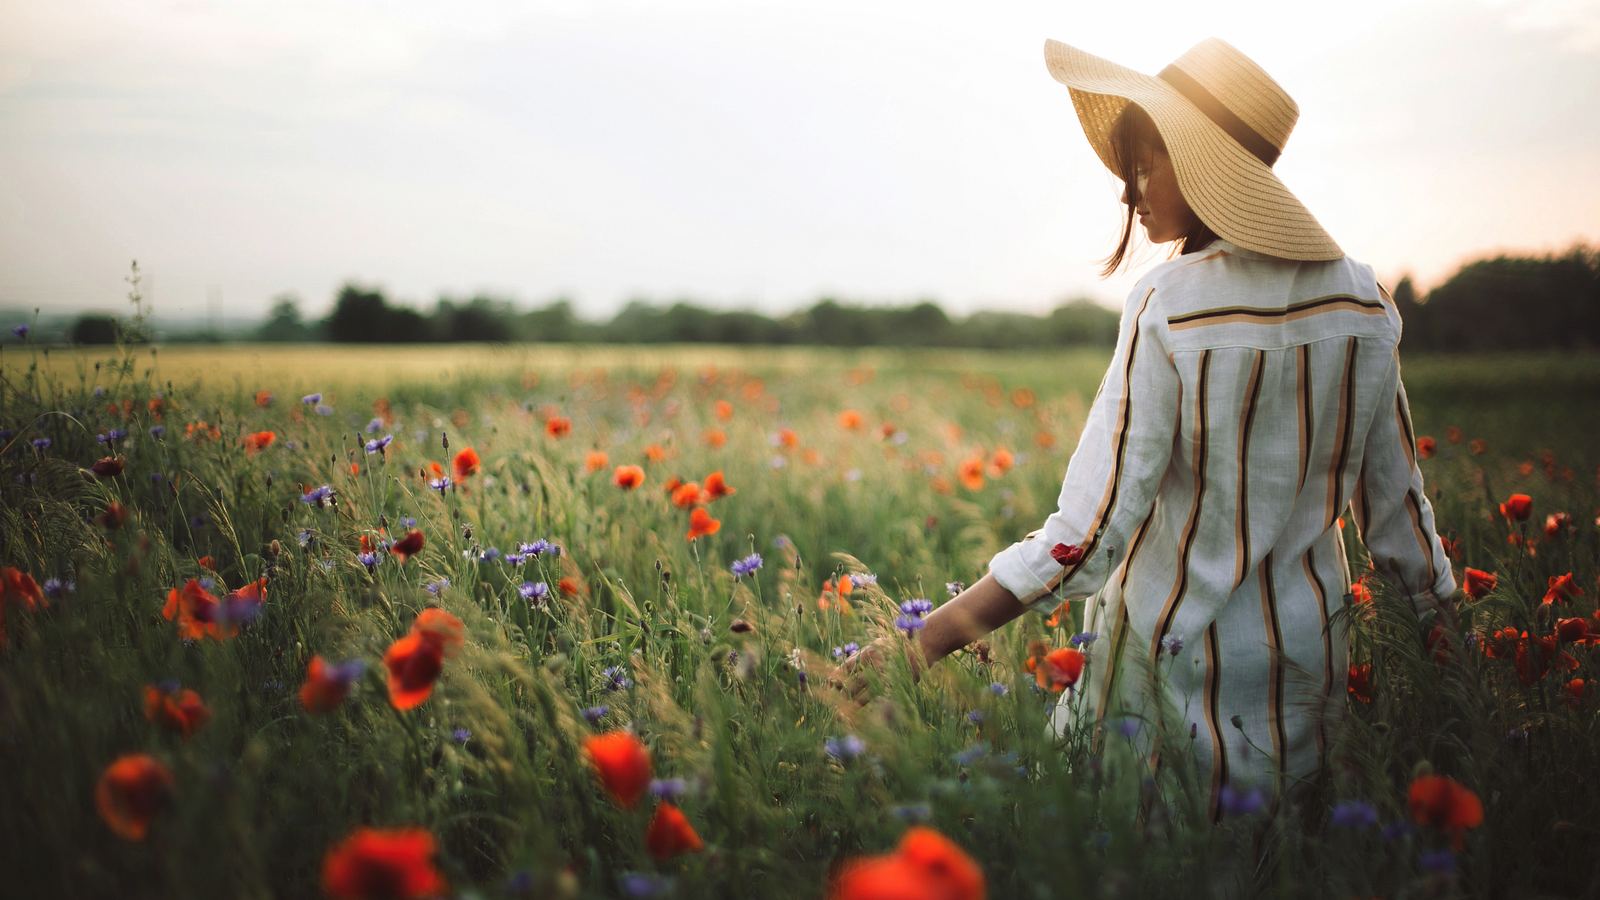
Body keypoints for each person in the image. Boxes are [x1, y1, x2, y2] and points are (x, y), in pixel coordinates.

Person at [828, 37, 1457, 824]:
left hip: (1165, 700)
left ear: (1207, 164)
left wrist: (918, 646)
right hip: (1306, 700)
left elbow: (1087, 537)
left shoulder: (1174, 304)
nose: (1131, 193)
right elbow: (1402, 535)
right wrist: (1460, 696)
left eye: (1147, 164)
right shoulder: (1365, 303)